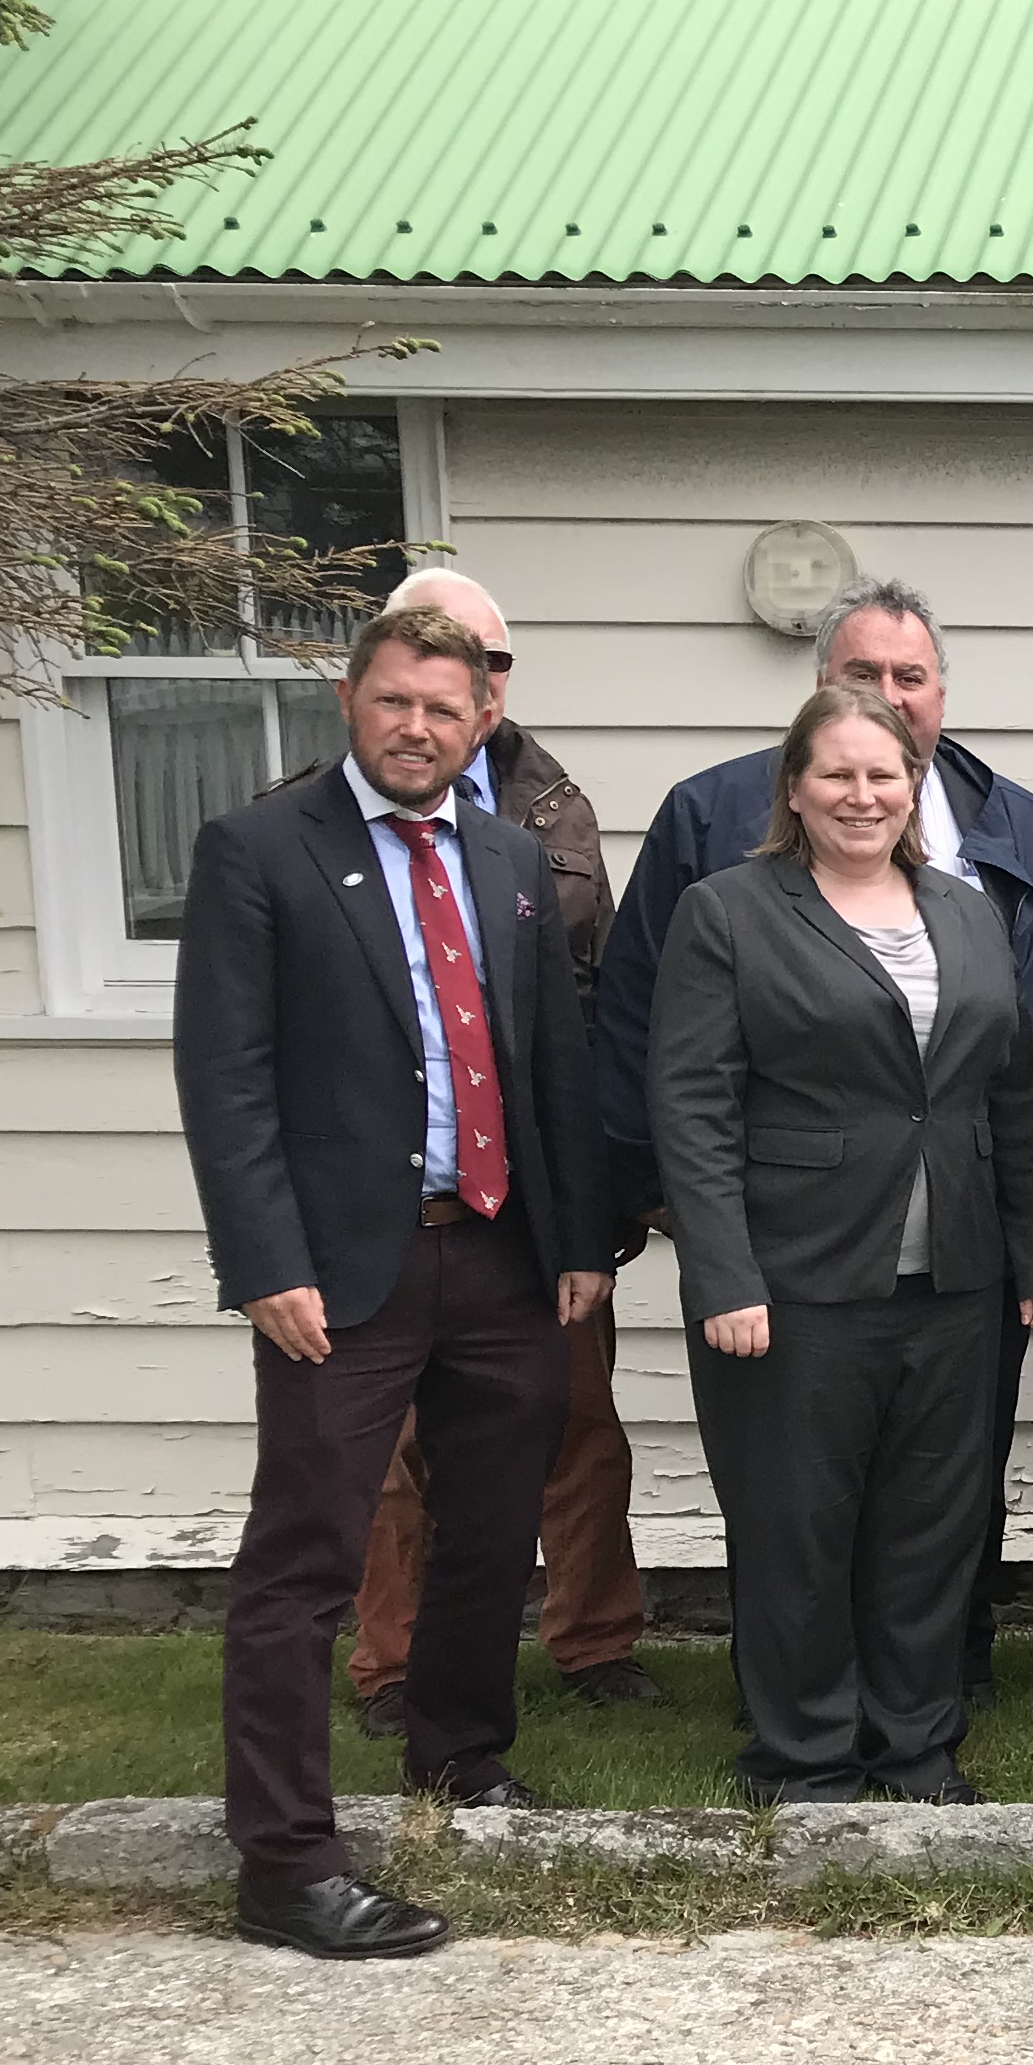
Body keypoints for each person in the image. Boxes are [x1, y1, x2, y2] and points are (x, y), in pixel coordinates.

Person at [172, 604, 612, 1957]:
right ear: (350, 705)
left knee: (491, 1526)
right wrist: (264, 1262)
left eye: (444, 708)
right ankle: (285, 1862)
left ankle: (459, 1754)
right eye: (394, 702)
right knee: (303, 1558)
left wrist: (580, 1240)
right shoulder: (260, 850)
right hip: (338, 1270)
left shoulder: (510, 858)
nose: (418, 728)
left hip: (497, 1250)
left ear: (483, 720)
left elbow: (553, 1063)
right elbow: (225, 1078)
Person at [597, 581, 1033, 1699]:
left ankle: (926, 1729)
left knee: (936, 1512)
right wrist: (704, 1250)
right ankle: (805, 1746)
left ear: (932, 724)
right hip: (798, 1260)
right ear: (799, 767)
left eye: (910, 678)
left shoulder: (990, 875)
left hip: (960, 1262)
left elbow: (1028, 1077)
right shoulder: (724, 878)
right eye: (861, 678)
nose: (886, 706)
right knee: (799, 1516)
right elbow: (676, 1078)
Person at [341, 568, 652, 1737]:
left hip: (536, 1187)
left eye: (491, 660)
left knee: (577, 1423)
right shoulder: (320, 813)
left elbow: (597, 1001)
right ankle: (393, 1663)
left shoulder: (551, 807)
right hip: (389, 1191)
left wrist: (603, 1192)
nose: (469, 680)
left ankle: (596, 1641)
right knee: (399, 1448)